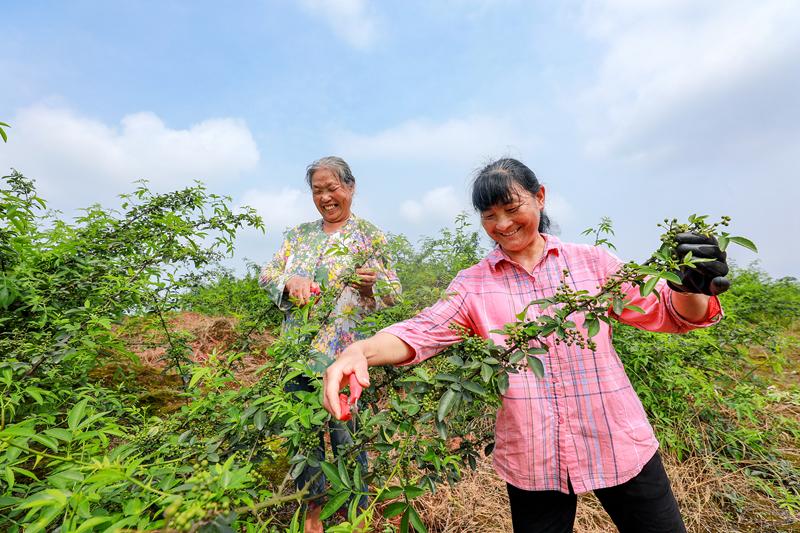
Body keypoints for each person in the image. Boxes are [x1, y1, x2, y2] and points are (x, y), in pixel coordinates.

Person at [322, 158, 729, 533]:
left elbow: (674, 313)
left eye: (512, 207)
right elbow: (422, 330)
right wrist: (360, 351)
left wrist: (690, 286)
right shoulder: (473, 284)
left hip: (618, 441)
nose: (502, 224)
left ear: (540, 197)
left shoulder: (592, 264)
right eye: (489, 215)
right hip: (534, 458)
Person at [259, 156, 401, 533]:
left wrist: (373, 287)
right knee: (303, 436)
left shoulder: (368, 236)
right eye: (317, 190)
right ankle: (311, 512)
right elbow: (267, 273)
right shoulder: (298, 236)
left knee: (347, 434)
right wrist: (290, 282)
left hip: (346, 356)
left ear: (350, 188)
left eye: (332, 187)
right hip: (297, 356)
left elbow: (393, 292)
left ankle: (357, 511)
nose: (326, 197)